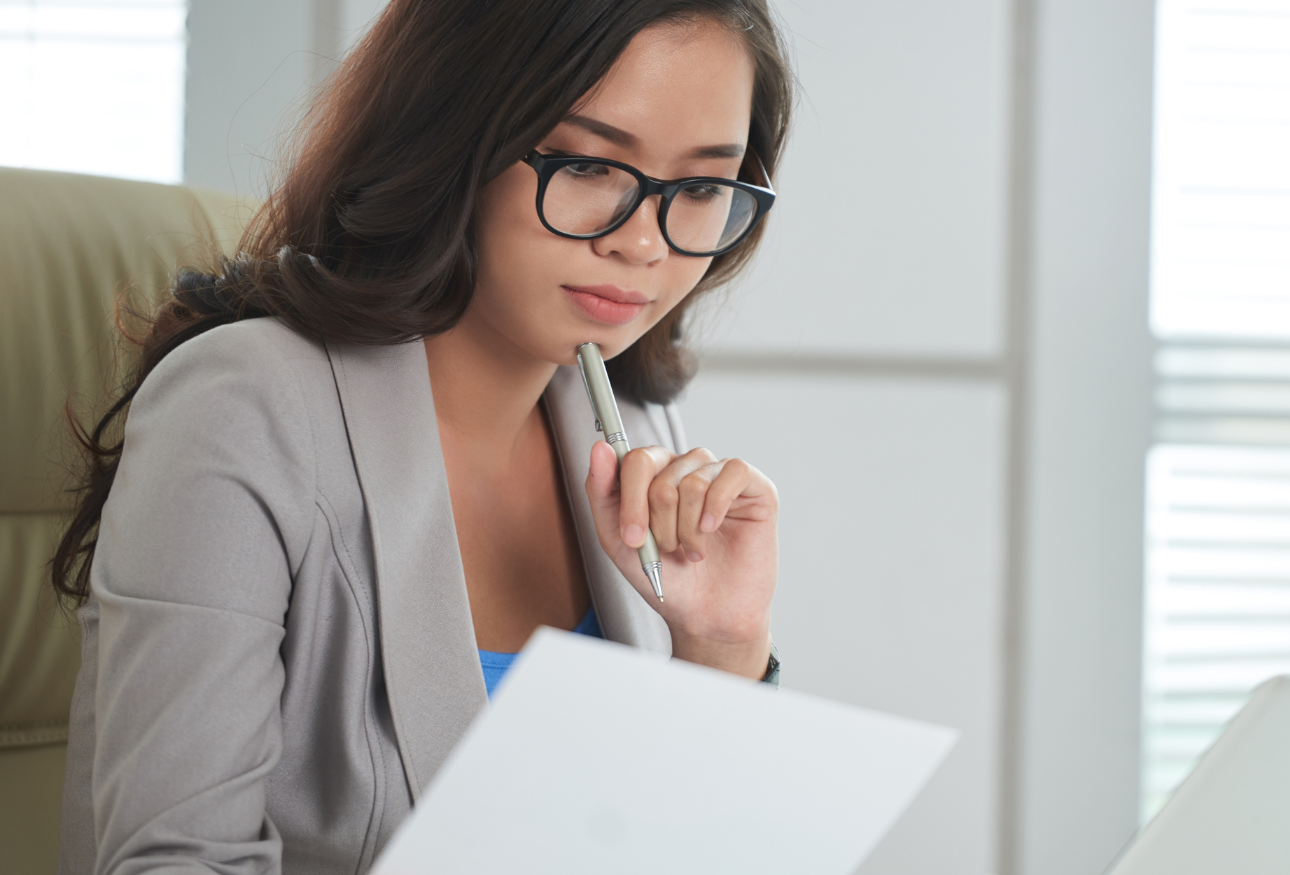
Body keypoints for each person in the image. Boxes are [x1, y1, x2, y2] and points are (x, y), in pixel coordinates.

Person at [48, 0, 793, 871]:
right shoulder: (244, 406)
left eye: (702, 188)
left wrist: (725, 646)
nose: (642, 244)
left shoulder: (628, 422)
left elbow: (684, 846)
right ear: (457, 139)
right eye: (590, 164)